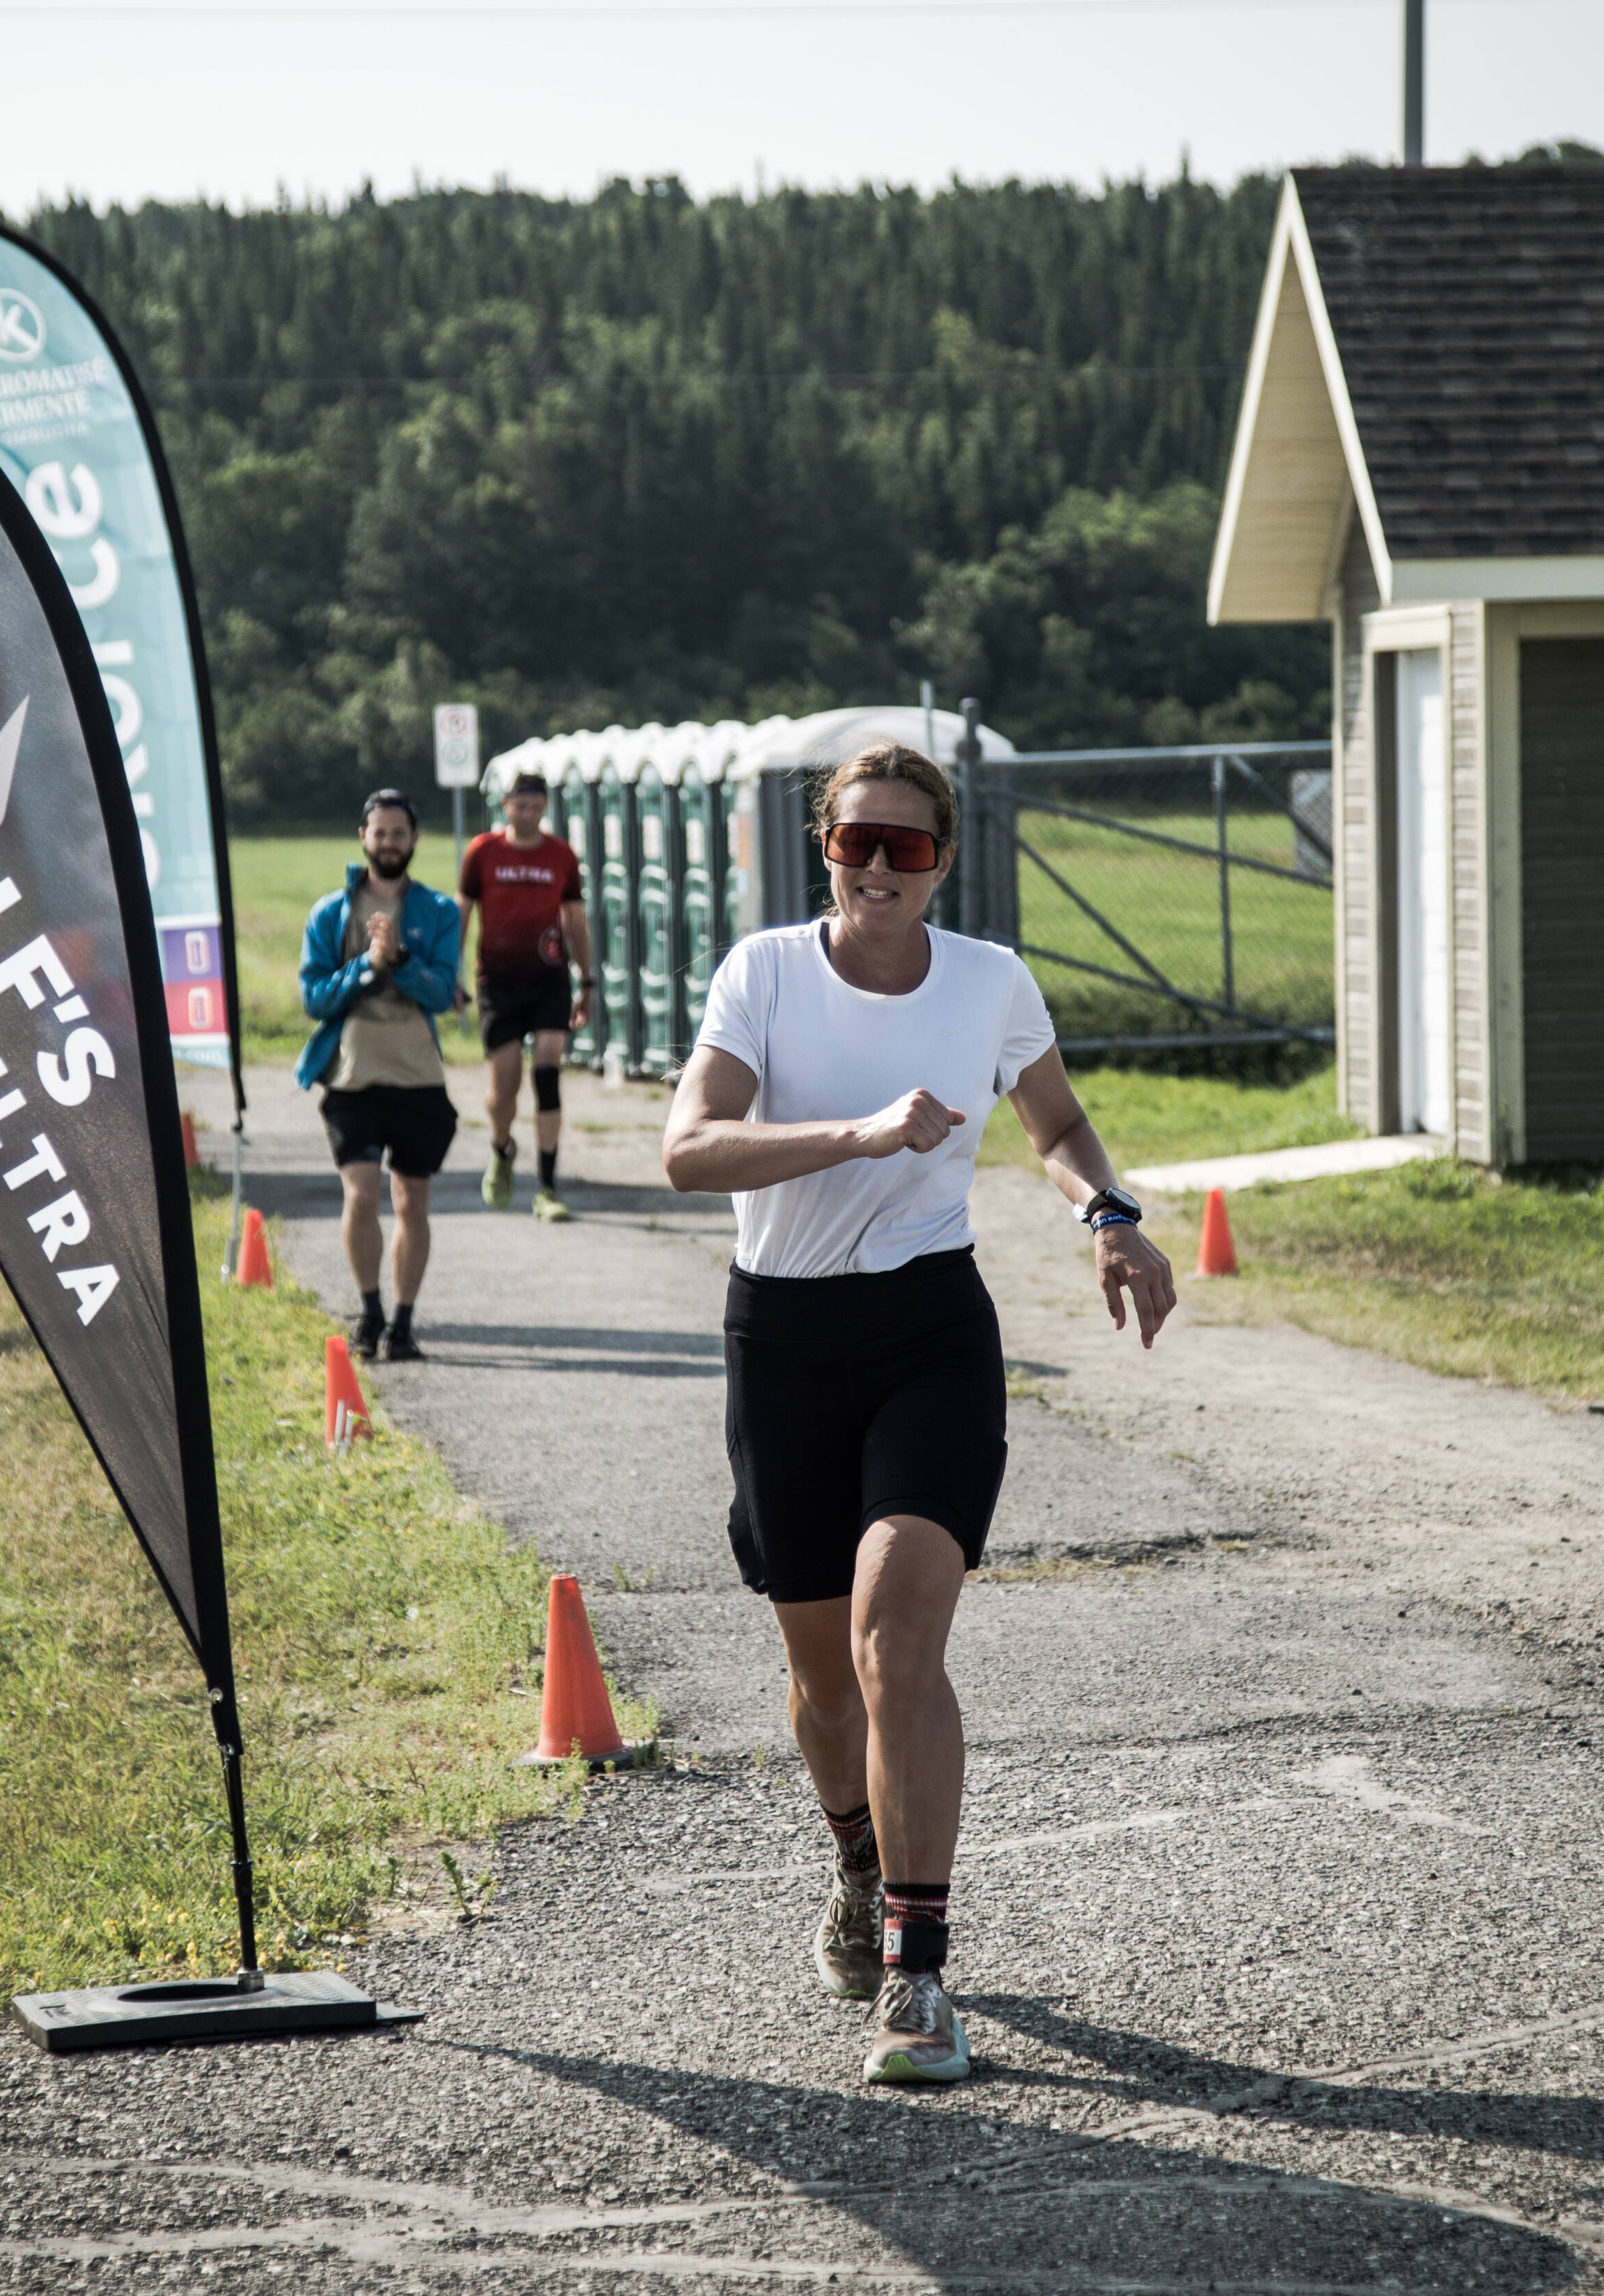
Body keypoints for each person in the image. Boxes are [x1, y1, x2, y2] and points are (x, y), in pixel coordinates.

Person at [660, 742, 1178, 2087]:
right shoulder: (762, 975)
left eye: (906, 843)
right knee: (824, 1681)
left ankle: (916, 1969)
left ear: (944, 855)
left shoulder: (990, 983)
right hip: (782, 1334)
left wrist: (1110, 1217)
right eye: (855, 842)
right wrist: (858, 1130)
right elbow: (687, 1148)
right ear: (819, 847)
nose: (878, 865)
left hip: (929, 1332)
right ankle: (852, 1858)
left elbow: (1056, 1124)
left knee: (898, 1641)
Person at [299, 789, 464, 1362]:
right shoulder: (330, 913)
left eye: (399, 833)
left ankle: (404, 1321)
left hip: (417, 1077)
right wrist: (364, 967)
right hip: (352, 1078)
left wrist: (397, 961)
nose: (389, 842)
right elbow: (315, 999)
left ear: (414, 840)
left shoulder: (440, 912)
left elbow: (444, 992)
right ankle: (369, 1311)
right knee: (362, 1195)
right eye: (380, 832)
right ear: (362, 837)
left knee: (412, 1200)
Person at [455, 769, 595, 1221]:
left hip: (548, 977)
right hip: (498, 981)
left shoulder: (561, 855)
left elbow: (575, 919)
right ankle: (502, 1148)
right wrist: (450, 974)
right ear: (506, 806)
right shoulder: (483, 852)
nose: (528, 813)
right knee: (503, 1091)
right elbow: (462, 911)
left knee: (548, 1071)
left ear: (545, 809)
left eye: (536, 806)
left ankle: (548, 1185)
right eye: (521, 805)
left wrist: (587, 980)